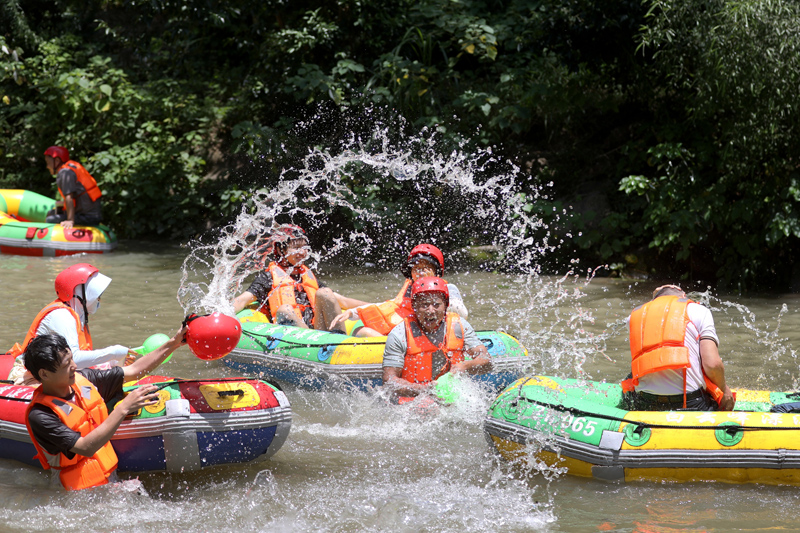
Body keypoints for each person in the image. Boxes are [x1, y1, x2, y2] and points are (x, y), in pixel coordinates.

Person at [24, 328, 186, 491]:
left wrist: (173, 343)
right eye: (66, 364)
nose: (74, 366)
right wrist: (124, 408)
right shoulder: (41, 415)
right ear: (44, 374)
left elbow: (133, 371)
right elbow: (85, 447)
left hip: (108, 477)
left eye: (72, 359)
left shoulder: (85, 380)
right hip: (75, 495)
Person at [5, 263, 132, 386]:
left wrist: (113, 361)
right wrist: (113, 352)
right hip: (32, 377)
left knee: (112, 367)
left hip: (57, 371)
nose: (99, 300)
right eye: (97, 296)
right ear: (79, 293)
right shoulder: (62, 315)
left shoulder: (78, 313)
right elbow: (74, 359)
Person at [232, 224, 368, 331]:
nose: (302, 252)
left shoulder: (306, 276)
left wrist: (379, 305)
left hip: (318, 331)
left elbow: (342, 301)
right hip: (294, 335)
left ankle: (339, 339)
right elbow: (242, 300)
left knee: (325, 293)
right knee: (285, 310)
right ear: (281, 250)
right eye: (296, 248)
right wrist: (219, 313)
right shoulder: (268, 278)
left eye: (305, 248)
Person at [622, 284, 735, 411]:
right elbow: (712, 364)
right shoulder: (698, 310)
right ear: (683, 296)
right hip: (690, 403)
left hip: (645, 402)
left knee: (629, 378)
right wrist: (724, 390)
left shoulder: (633, 316)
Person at [381, 276, 491, 399]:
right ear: (414, 307)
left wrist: (465, 366)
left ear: (446, 305)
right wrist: (424, 390)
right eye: (424, 305)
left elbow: (486, 360)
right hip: (414, 402)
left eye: (436, 305)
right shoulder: (400, 334)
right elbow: (389, 382)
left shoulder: (459, 326)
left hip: (453, 398)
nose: (431, 311)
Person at [331, 243, 469, 337]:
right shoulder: (409, 289)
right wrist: (352, 312)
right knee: (361, 330)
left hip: (431, 338)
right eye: (416, 268)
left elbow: (462, 313)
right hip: (407, 336)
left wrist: (433, 295)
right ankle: (390, 350)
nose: (420, 272)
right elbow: (391, 306)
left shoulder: (448, 289)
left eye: (426, 267)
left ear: (437, 272)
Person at [43, 145, 103, 228]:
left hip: (88, 217)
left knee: (50, 220)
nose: (47, 166)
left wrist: (70, 220)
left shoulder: (65, 172)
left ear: (56, 160)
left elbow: (69, 197)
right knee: (52, 213)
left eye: (48, 163)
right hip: (86, 213)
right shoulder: (70, 167)